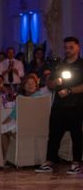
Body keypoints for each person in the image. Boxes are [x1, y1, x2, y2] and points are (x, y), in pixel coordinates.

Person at [35, 37, 83, 174]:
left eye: (71, 47)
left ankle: (76, 163)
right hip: (58, 106)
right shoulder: (59, 65)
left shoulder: (81, 64)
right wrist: (53, 80)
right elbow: (50, 85)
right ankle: (49, 161)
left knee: (76, 135)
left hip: (76, 106)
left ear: (77, 47)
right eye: (66, 47)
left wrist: (70, 90)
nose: (67, 50)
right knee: (54, 135)